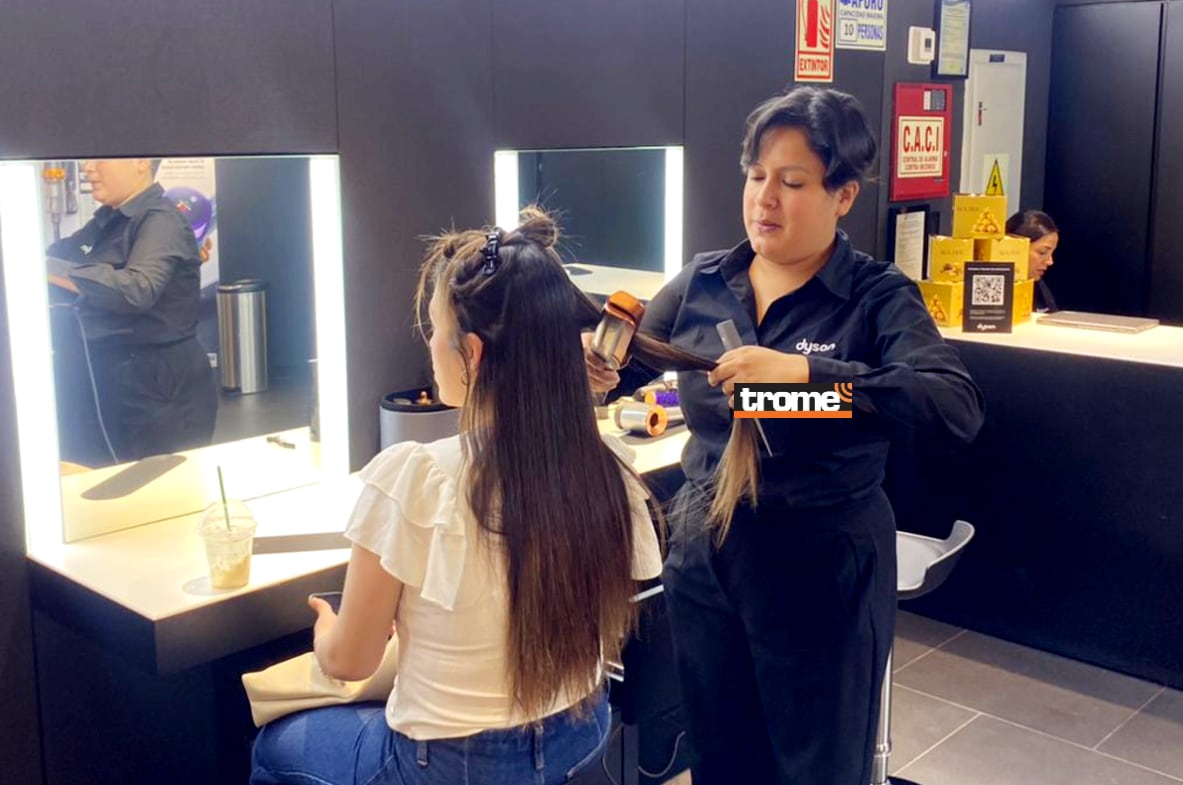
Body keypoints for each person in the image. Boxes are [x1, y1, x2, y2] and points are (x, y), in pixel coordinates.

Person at [586, 87, 985, 785]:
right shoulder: (704, 281)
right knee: (721, 756)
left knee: (815, 765)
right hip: (708, 554)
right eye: (756, 176)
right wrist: (598, 369)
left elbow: (953, 407)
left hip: (821, 563)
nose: (764, 199)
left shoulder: (876, 297)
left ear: (843, 195)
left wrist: (807, 374)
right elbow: (628, 366)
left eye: (793, 182)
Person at [249, 209, 672, 785]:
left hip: (456, 766)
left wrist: (327, 634)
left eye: (433, 329)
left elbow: (350, 663)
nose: (430, 345)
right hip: (580, 735)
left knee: (276, 748)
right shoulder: (606, 470)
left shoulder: (416, 479)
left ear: (472, 353)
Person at [46, 158, 216, 464]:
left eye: (99, 159)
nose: (88, 168)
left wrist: (56, 271)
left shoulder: (162, 221)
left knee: (161, 486)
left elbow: (138, 289)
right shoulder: (107, 221)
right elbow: (57, 257)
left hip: (159, 389)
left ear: (140, 161)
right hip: (115, 380)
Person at [1006, 209, 1060, 312]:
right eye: (1042, 252)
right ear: (1015, 247)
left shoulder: (1039, 286)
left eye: (1052, 253)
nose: (1050, 262)